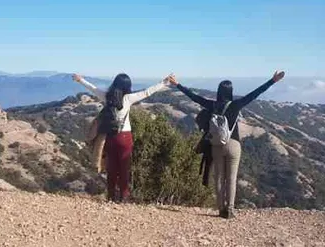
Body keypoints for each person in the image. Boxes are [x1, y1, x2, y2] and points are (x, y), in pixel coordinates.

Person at [168, 71, 285, 219]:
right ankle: (229, 210)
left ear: (218, 91)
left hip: (216, 146)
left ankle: (221, 209)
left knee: (219, 178)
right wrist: (272, 80)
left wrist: (177, 84)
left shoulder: (212, 105)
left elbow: (194, 97)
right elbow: (255, 93)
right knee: (231, 179)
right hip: (233, 144)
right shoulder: (236, 105)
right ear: (231, 92)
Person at [73, 73, 171, 203]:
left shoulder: (107, 97)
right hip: (125, 137)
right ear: (127, 86)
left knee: (111, 168)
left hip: (110, 137)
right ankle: (124, 197)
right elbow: (147, 92)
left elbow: (93, 88)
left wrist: (80, 80)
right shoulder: (128, 99)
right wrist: (164, 82)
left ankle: (111, 196)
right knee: (124, 168)